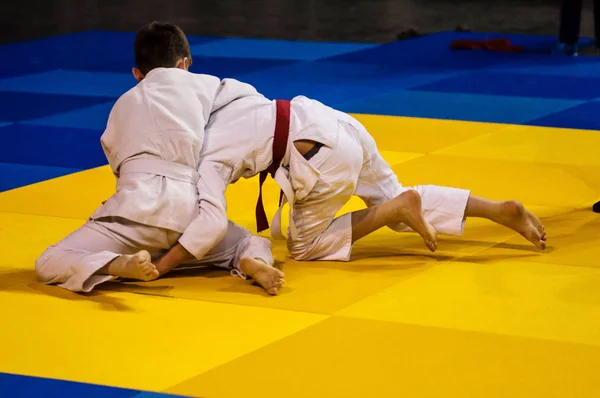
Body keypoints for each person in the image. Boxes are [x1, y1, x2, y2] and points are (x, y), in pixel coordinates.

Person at [148, 27, 547, 274]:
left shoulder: (206, 150)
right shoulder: (223, 89)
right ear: (185, 66)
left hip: (319, 155)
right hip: (333, 122)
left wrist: (163, 265)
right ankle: (498, 209)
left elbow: (210, 223)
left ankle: (394, 209)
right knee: (402, 202)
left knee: (303, 247)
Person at [35, 22, 284, 295]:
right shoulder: (206, 84)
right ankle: (252, 261)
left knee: (49, 260)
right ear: (184, 64)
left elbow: (120, 166)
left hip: (133, 213)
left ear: (136, 73)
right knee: (249, 241)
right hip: (188, 216)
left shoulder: (121, 105)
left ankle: (115, 263)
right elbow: (250, 102)